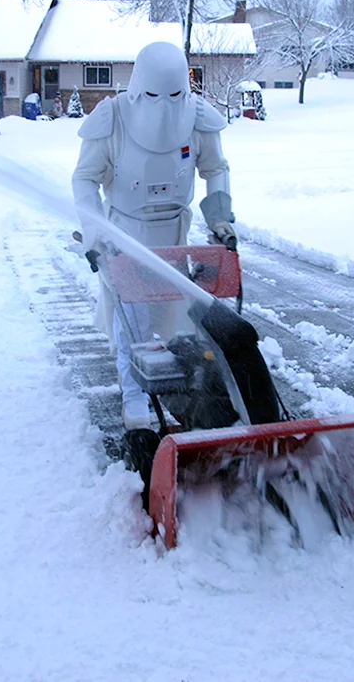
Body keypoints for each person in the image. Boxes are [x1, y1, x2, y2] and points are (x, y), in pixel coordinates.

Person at [71, 41, 235, 431]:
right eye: (154, 94)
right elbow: (84, 178)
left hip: (176, 235)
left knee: (182, 322)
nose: (165, 106)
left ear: (187, 87)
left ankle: (188, 392)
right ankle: (134, 398)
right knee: (134, 321)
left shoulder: (198, 120)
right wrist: (97, 231)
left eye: (175, 94)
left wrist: (220, 220)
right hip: (124, 236)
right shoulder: (111, 119)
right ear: (138, 85)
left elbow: (217, 168)